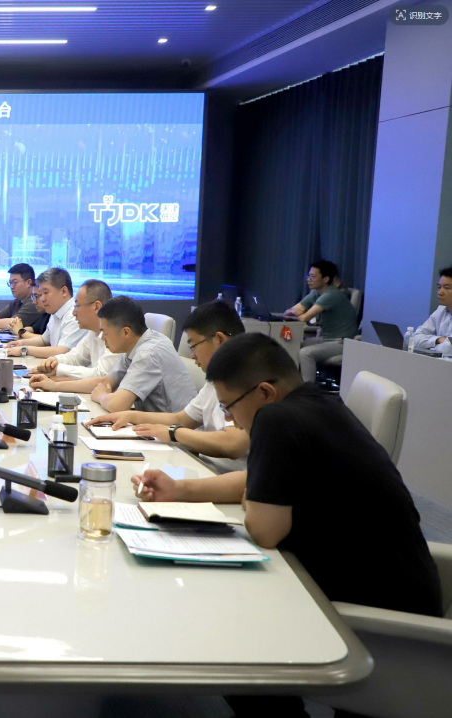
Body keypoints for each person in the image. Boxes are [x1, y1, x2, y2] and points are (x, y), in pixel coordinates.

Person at [132, 333, 442, 718]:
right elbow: (261, 480)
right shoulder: (320, 403)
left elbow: (265, 530)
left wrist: (254, 500)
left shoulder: (276, 419)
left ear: (264, 392)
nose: (228, 419)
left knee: (230, 633)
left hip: (379, 623)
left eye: (228, 407)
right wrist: (179, 490)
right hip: (401, 591)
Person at [89, 300, 249, 472]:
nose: (192, 356)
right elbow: (181, 419)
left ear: (219, 340)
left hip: (223, 476)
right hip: (202, 467)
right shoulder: (215, 379)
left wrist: (173, 432)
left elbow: (232, 444)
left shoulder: (248, 380)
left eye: (193, 346)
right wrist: (128, 416)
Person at [84, 296, 196, 412]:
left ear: (126, 332)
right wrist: (68, 385)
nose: (103, 338)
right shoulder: (137, 345)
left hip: (173, 422)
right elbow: (105, 382)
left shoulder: (147, 353)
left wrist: (101, 396)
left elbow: (117, 405)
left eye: (105, 333)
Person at [27, 279, 119, 390]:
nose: (74, 313)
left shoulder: (116, 334)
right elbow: (75, 357)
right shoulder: (93, 332)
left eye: (77, 306)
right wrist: (54, 361)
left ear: (96, 307)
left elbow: (101, 376)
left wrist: (58, 369)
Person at [284, 260, 358, 382]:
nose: (308, 280)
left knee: (306, 353)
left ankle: (307, 390)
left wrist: (296, 314)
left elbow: (304, 318)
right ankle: (291, 382)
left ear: (325, 279)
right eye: (308, 276)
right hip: (327, 339)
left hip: (342, 343)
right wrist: (293, 313)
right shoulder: (315, 294)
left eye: (313, 277)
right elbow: (289, 311)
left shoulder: (332, 295)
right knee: (292, 345)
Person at [5, 268, 86, 358]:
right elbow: (44, 340)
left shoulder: (75, 315)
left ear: (64, 291)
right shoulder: (55, 312)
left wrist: (24, 350)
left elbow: (62, 351)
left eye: (46, 293)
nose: (42, 299)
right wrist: (21, 343)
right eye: (40, 294)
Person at [0, 263, 43, 332]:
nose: (11, 286)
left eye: (15, 282)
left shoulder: (34, 302)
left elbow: (13, 323)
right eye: (10, 283)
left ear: (28, 282)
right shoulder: (18, 301)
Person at [414, 265, 452, 352]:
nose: (440, 292)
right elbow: (416, 338)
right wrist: (438, 339)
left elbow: (449, 349)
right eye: (439, 287)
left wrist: (431, 347)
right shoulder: (441, 310)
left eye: (447, 288)